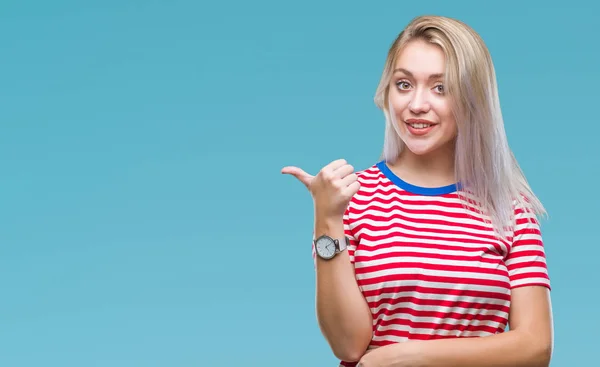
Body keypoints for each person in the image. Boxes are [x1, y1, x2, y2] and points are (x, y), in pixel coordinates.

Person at [281, 15, 553, 367]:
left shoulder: (510, 208)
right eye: (404, 84)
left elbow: (535, 347)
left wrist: (415, 355)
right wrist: (326, 218)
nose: (417, 105)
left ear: (472, 98)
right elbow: (348, 346)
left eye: (440, 88)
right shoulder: (354, 198)